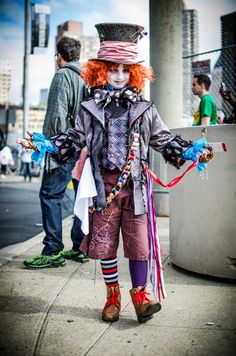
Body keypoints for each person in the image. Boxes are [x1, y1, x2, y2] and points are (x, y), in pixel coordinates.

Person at [17, 23, 212, 323]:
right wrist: (47, 144)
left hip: (135, 188)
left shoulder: (146, 109)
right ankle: (112, 296)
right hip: (102, 186)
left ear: (134, 73)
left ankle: (139, 297)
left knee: (139, 245)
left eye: (125, 69)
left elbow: (163, 138)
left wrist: (190, 151)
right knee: (105, 244)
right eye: (112, 69)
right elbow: (74, 138)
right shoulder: (89, 107)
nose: (119, 75)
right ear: (101, 70)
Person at [22, 36, 88, 269]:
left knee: (50, 196)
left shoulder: (62, 75)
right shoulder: (86, 77)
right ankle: (79, 247)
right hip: (83, 149)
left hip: (64, 148)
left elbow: (56, 116)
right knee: (81, 197)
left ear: (59, 55)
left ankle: (52, 250)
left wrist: (49, 147)